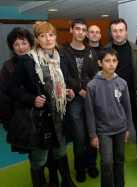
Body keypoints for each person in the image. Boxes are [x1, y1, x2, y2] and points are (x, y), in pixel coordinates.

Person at [7, 21, 76, 187]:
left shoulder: (62, 59)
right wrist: (32, 99)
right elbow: (12, 87)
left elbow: (62, 84)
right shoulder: (27, 60)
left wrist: (68, 93)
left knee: (60, 151)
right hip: (40, 119)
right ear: (37, 38)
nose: (48, 38)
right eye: (43, 35)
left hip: (59, 115)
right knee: (40, 158)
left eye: (51, 34)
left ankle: (66, 181)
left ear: (55, 36)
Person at [58, 18, 99, 183]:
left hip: (91, 98)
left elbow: (96, 75)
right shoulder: (62, 50)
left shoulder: (91, 52)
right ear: (71, 30)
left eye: (84, 29)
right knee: (79, 137)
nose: (81, 32)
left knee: (92, 133)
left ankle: (91, 164)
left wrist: (90, 91)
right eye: (78, 29)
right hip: (74, 99)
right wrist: (79, 90)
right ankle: (80, 167)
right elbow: (63, 74)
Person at [85, 47, 132, 187]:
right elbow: (90, 112)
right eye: (107, 61)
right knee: (106, 162)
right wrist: (93, 134)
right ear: (100, 63)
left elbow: (127, 108)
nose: (111, 64)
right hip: (103, 130)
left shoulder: (122, 83)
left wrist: (128, 128)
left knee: (119, 159)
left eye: (114, 61)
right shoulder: (92, 86)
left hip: (120, 128)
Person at [106, 18, 137, 166]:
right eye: (115, 31)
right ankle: (113, 158)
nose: (118, 34)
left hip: (134, 94)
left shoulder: (136, 50)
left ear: (126, 31)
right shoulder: (105, 51)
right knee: (113, 127)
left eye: (121, 30)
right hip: (113, 96)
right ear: (111, 33)